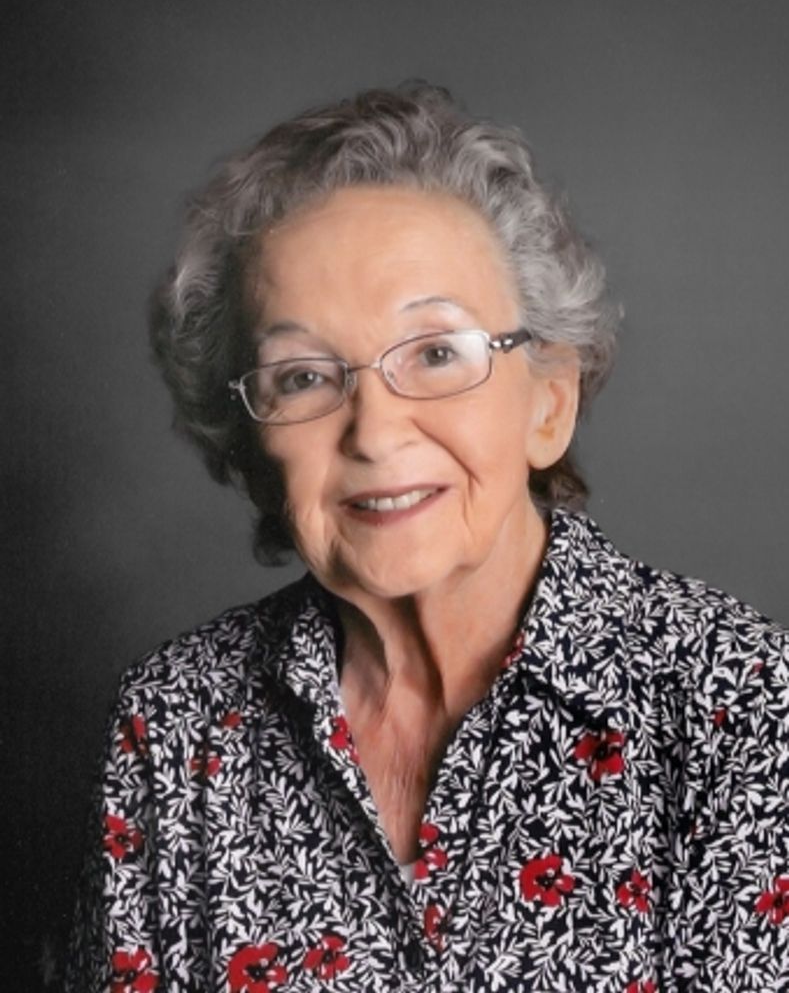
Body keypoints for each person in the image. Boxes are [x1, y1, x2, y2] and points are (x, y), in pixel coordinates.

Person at [66, 83, 787, 993]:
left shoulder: (743, 710)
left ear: (548, 403)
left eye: (437, 353)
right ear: (250, 439)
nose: (374, 433)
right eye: (302, 376)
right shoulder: (174, 720)